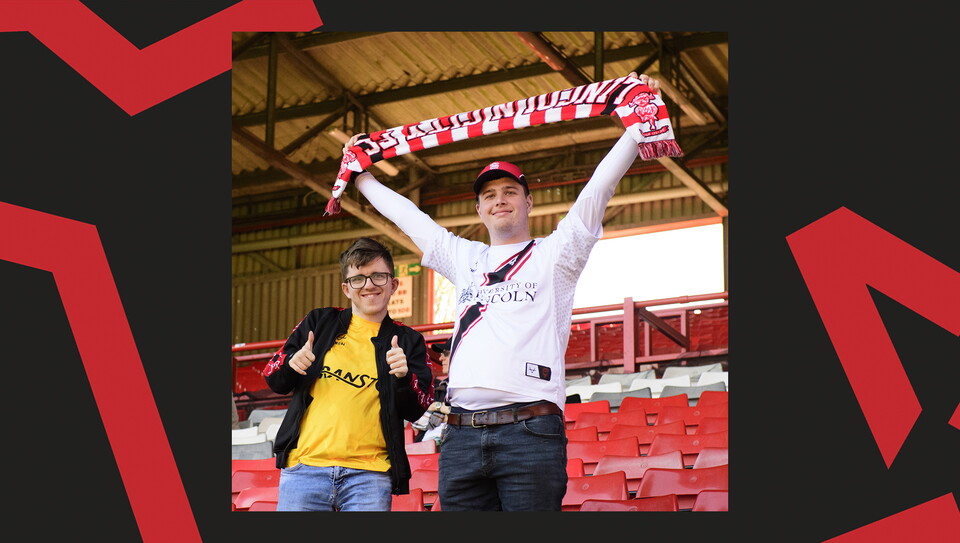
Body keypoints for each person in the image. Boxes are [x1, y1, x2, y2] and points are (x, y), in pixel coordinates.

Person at [345, 72, 661, 511]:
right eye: (489, 194)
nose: (500, 199)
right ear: (478, 208)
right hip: (461, 434)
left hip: (530, 432)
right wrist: (358, 176)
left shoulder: (556, 254)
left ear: (528, 203)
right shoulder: (463, 256)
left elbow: (597, 190)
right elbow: (409, 216)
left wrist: (636, 123)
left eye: (511, 191)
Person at [262, 237, 434, 511]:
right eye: (358, 278)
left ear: (393, 284)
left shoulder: (408, 339)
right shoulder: (320, 321)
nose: (369, 285)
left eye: (378, 276)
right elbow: (274, 377)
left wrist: (404, 378)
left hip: (370, 476)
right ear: (346, 288)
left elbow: (418, 407)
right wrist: (292, 363)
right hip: (304, 470)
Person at [411, 340, 451, 445]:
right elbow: (417, 422)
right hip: (429, 451)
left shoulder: (473, 388)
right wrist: (440, 408)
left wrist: (434, 409)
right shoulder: (438, 388)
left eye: (446, 354)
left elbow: (470, 421)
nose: (440, 358)